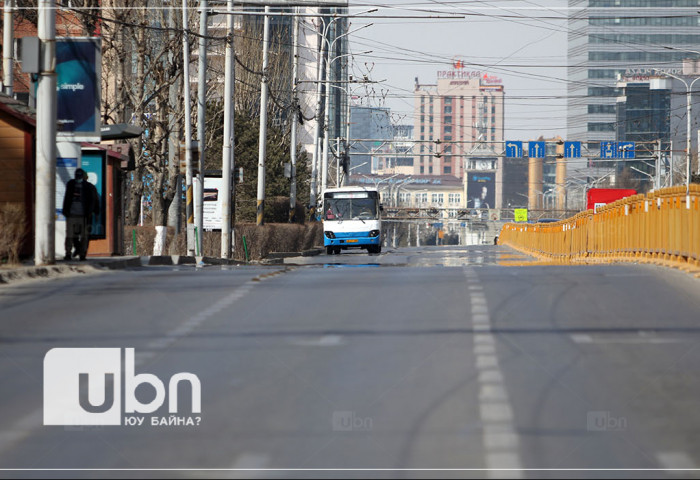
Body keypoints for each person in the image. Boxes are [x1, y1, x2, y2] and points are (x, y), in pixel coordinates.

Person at [62, 168, 99, 261]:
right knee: (70, 235)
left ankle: (82, 254)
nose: (78, 178)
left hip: (84, 216)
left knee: (84, 236)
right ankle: (68, 253)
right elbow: (66, 198)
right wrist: (65, 211)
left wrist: (94, 212)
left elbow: (93, 200)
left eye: (80, 176)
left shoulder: (89, 187)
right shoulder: (70, 185)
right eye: (77, 176)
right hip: (71, 214)